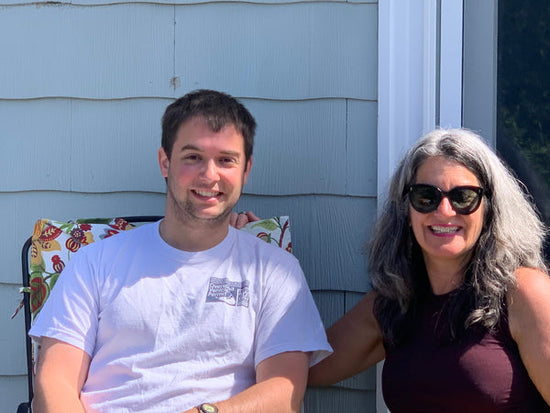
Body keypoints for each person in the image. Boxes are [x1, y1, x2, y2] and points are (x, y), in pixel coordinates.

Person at [29, 89, 332, 413]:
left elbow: (283, 393)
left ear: (246, 170)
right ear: (165, 162)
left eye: (226, 160)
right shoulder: (95, 263)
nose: (210, 175)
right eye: (193, 157)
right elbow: (55, 381)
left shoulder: (275, 271)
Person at [308, 128, 550, 411]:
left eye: (463, 197)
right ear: (406, 212)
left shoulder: (524, 292)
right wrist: (257, 249)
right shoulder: (395, 301)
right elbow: (309, 367)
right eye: (426, 197)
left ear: (489, 210)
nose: (445, 211)